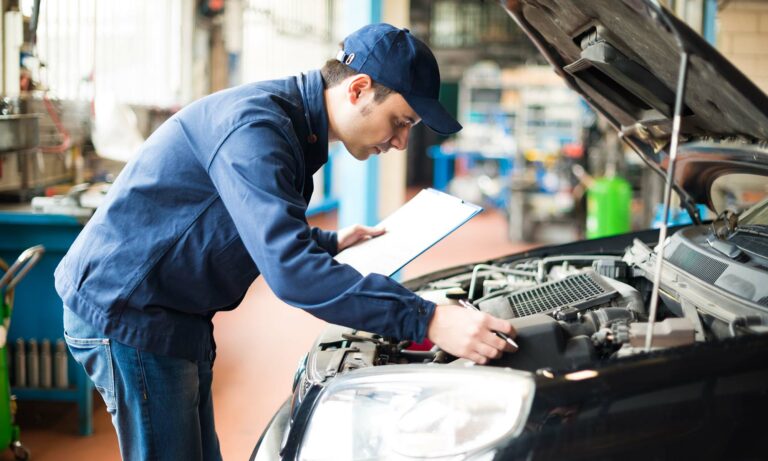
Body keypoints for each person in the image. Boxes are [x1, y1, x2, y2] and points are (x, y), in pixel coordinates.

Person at [57, 23, 516, 460]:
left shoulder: (297, 128)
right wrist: (428, 320)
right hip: (129, 309)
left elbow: (241, 218)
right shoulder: (257, 128)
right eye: (400, 121)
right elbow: (290, 272)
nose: (399, 142)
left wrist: (328, 241)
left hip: (175, 309)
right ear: (357, 89)